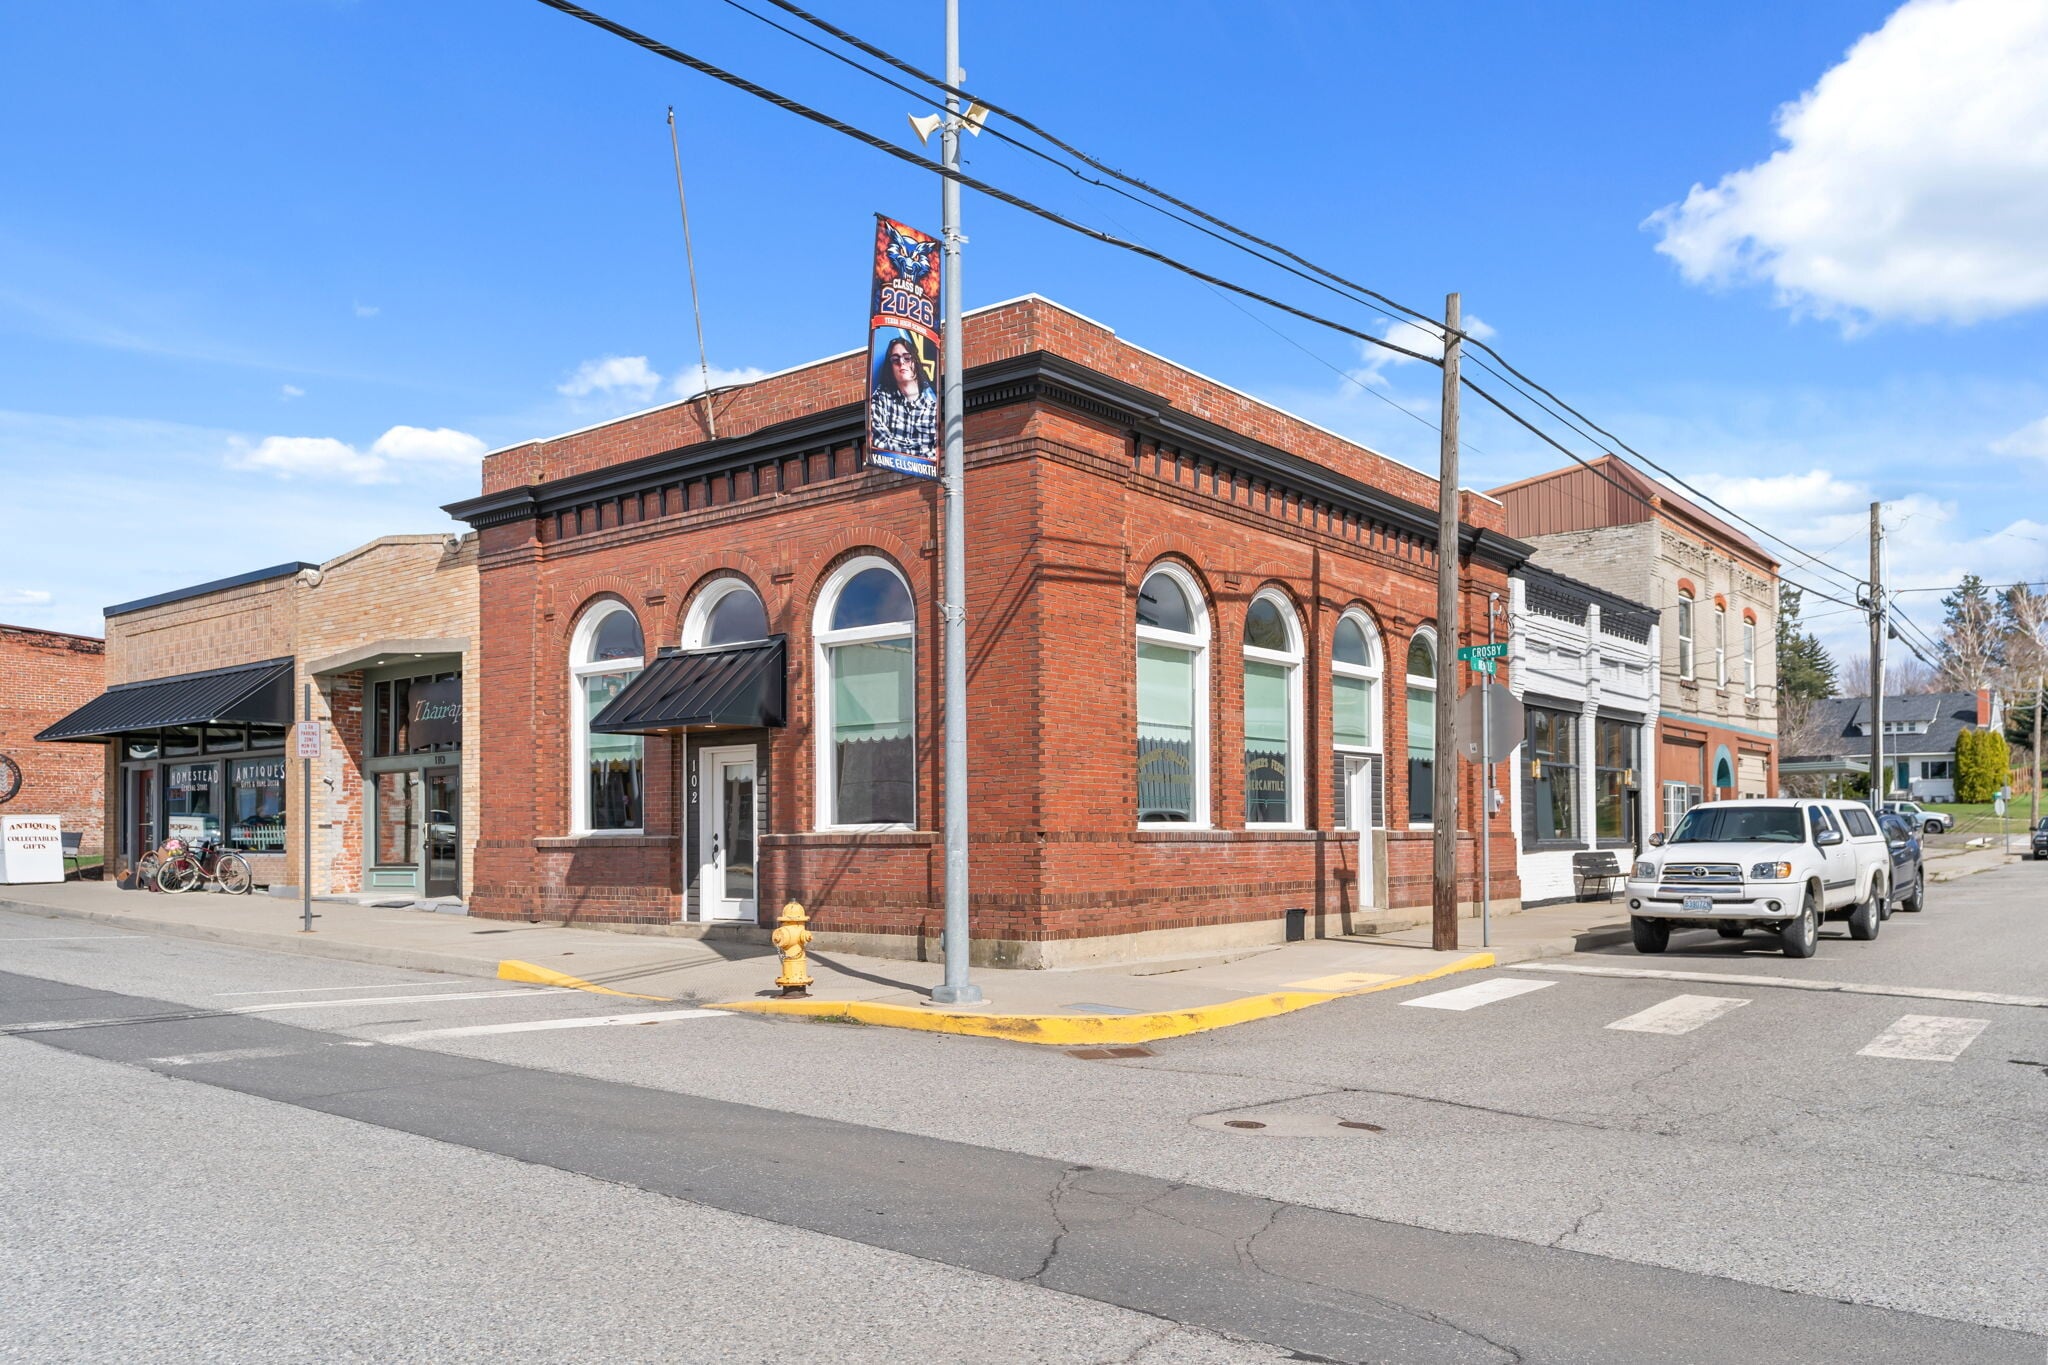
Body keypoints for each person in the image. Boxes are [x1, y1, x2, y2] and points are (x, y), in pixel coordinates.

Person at [868, 333, 938, 465]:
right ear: (891, 367)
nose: (901, 362)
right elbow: (879, 443)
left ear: (915, 362)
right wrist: (919, 447)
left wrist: (895, 443)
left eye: (907, 358)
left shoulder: (933, 409)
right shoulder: (881, 399)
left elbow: (933, 452)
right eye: (895, 359)